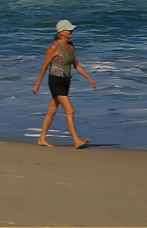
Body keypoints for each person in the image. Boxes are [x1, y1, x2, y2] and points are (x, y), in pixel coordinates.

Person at [32, 19, 98, 148]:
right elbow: (44, 67)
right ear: (62, 32)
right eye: (69, 29)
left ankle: (42, 139)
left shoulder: (71, 46)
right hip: (55, 81)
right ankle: (76, 140)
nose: (71, 31)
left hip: (66, 81)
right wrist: (37, 85)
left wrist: (89, 79)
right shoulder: (54, 47)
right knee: (70, 110)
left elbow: (77, 65)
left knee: (52, 110)